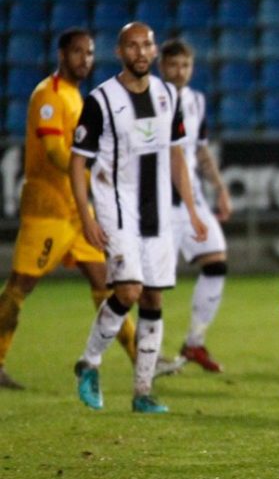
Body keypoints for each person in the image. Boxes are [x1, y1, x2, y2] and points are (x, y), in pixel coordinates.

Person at [69, 22, 206, 413]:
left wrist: (192, 209)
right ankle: (89, 363)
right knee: (128, 290)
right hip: (117, 206)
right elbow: (77, 163)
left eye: (147, 44)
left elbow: (177, 153)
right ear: (120, 52)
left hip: (158, 210)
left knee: (152, 295)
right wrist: (86, 216)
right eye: (133, 46)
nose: (141, 52)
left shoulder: (167, 95)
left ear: (155, 49)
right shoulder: (101, 100)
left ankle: (142, 392)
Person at [0, 28, 139, 390]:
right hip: (47, 210)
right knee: (19, 287)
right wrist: (91, 171)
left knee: (110, 282)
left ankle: (143, 358)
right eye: (78, 52)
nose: (85, 59)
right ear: (62, 54)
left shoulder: (78, 99)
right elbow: (53, 152)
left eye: (90, 53)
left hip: (78, 213)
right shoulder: (48, 95)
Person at [156, 38, 231, 374]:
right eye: (173, 65)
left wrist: (219, 187)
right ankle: (150, 355)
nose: (179, 71)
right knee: (154, 285)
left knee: (215, 264)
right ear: (162, 67)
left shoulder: (195, 101)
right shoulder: (151, 101)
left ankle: (194, 342)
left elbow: (199, 150)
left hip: (193, 201)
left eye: (185, 65)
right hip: (158, 202)